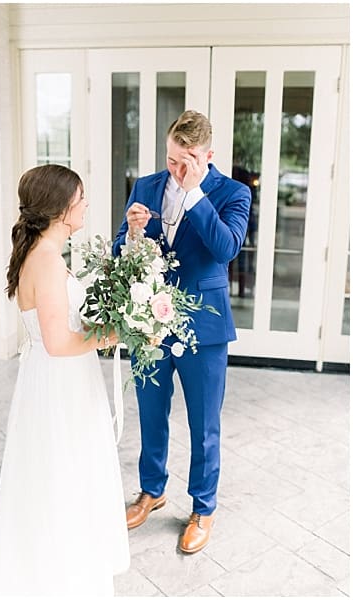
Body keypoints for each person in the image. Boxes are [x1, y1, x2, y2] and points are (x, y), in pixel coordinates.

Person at [0, 164, 128, 595]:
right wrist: (112, 333)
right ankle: (58, 574)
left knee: (64, 471)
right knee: (60, 473)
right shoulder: (45, 262)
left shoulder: (46, 255)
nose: (86, 205)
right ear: (63, 208)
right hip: (58, 382)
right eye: (81, 198)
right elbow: (58, 341)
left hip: (60, 379)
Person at [113, 110, 251, 553]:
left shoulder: (233, 193)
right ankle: (152, 492)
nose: (176, 169)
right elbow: (120, 250)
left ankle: (203, 508)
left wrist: (193, 195)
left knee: (203, 424)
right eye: (172, 159)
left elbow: (227, 249)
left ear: (208, 154)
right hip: (148, 324)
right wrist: (132, 233)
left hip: (204, 328)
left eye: (187, 160)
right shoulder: (146, 186)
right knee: (151, 415)